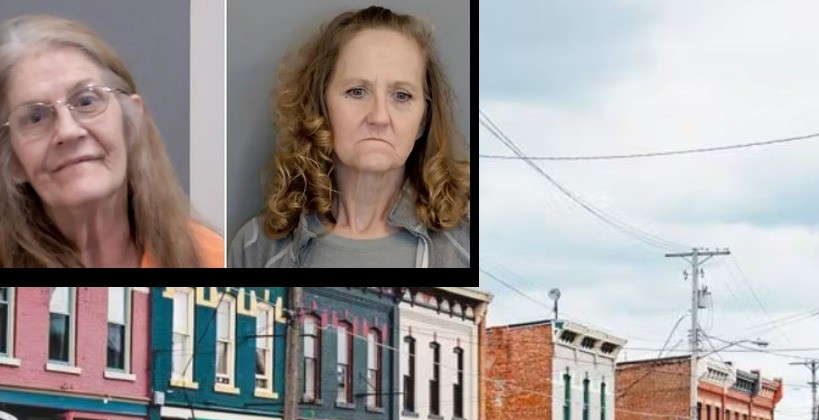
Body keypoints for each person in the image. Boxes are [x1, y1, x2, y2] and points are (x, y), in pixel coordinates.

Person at [229, 6, 470, 268]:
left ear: (423, 120)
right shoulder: (258, 247)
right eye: (357, 91)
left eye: (402, 95)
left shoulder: (466, 247)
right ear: (321, 107)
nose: (379, 117)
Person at [0, 15, 225, 267]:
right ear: (13, 162)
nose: (68, 131)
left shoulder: (210, 257)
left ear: (130, 124)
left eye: (86, 101)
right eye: (35, 117)